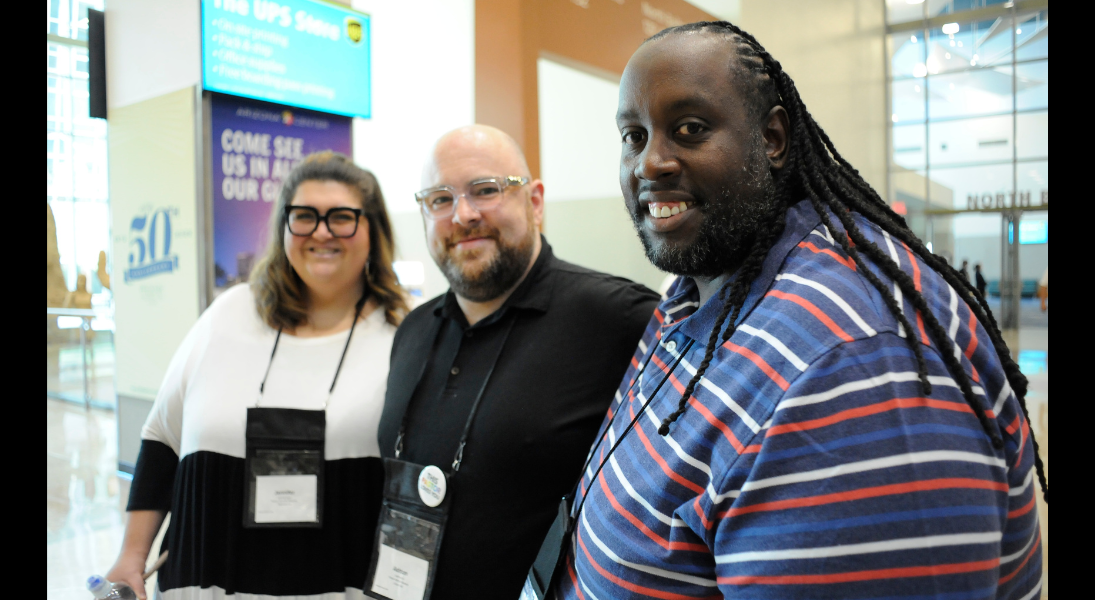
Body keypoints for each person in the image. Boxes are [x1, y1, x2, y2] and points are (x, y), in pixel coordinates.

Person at [554, 22, 1047, 600]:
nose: (649, 163)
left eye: (690, 129)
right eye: (633, 136)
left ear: (773, 139)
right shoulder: (703, 285)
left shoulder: (855, 367)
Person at [106, 153, 408, 599]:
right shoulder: (227, 315)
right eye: (304, 216)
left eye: (342, 217)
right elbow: (162, 439)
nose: (322, 232)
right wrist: (131, 556)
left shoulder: (406, 335)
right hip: (207, 582)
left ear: (373, 229)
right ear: (284, 227)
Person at [376, 125, 660, 599]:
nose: (463, 214)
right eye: (440, 199)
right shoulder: (413, 331)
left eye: (486, 190)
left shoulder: (620, 320)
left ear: (535, 201)